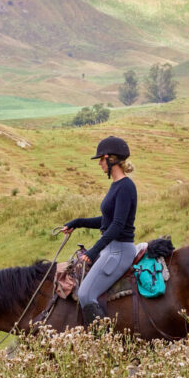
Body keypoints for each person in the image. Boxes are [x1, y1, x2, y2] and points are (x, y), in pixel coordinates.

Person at [61, 136, 137, 326]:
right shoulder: (116, 185)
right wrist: (78, 222)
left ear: (111, 159)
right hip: (111, 249)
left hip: (119, 251)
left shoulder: (126, 187)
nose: (100, 164)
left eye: (101, 160)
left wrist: (94, 251)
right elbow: (107, 221)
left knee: (86, 294)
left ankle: (103, 343)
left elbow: (117, 225)